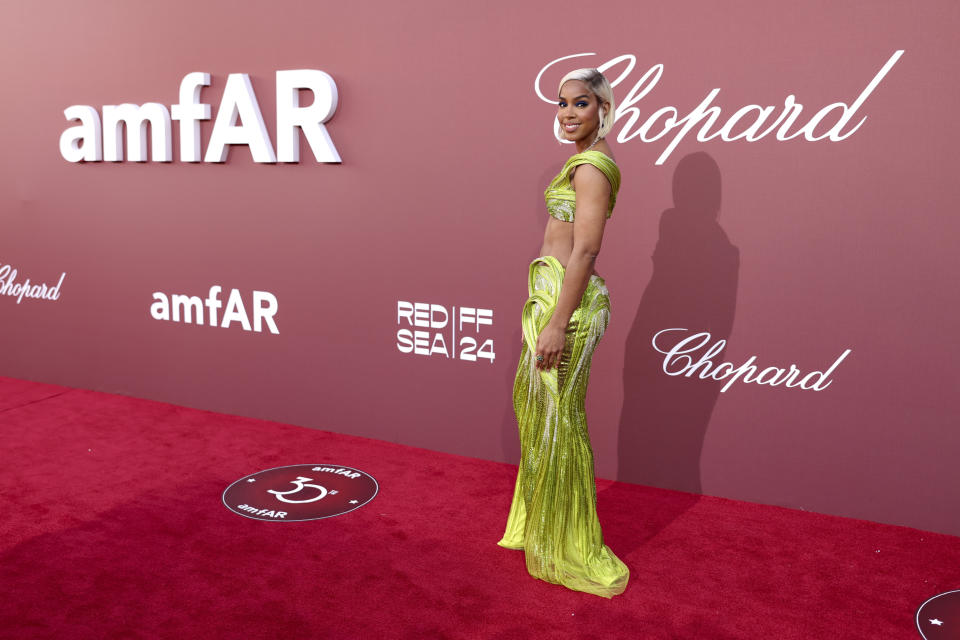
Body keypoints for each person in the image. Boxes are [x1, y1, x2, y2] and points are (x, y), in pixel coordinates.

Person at [497, 68, 630, 598]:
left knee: (561, 421)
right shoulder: (580, 162)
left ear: (602, 108)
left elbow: (587, 249)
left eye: (581, 103)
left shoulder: (593, 167)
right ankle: (546, 526)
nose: (568, 113)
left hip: (568, 308)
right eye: (562, 104)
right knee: (545, 417)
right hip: (554, 299)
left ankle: (568, 540)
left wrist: (556, 321)